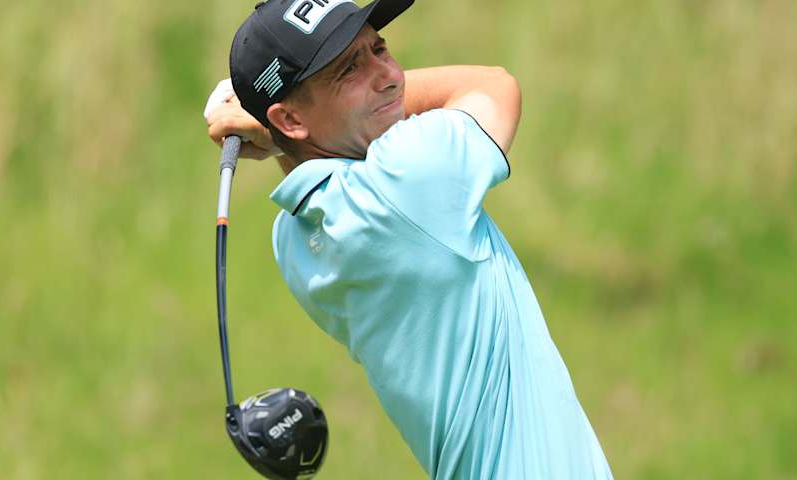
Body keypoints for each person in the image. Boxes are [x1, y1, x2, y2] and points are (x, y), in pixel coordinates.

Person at [205, 1, 614, 478]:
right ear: (291, 119)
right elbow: (493, 86)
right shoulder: (408, 178)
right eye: (350, 69)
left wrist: (280, 133)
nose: (390, 75)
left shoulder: (293, 241)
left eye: (380, 48)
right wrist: (268, 129)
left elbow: (313, 159)